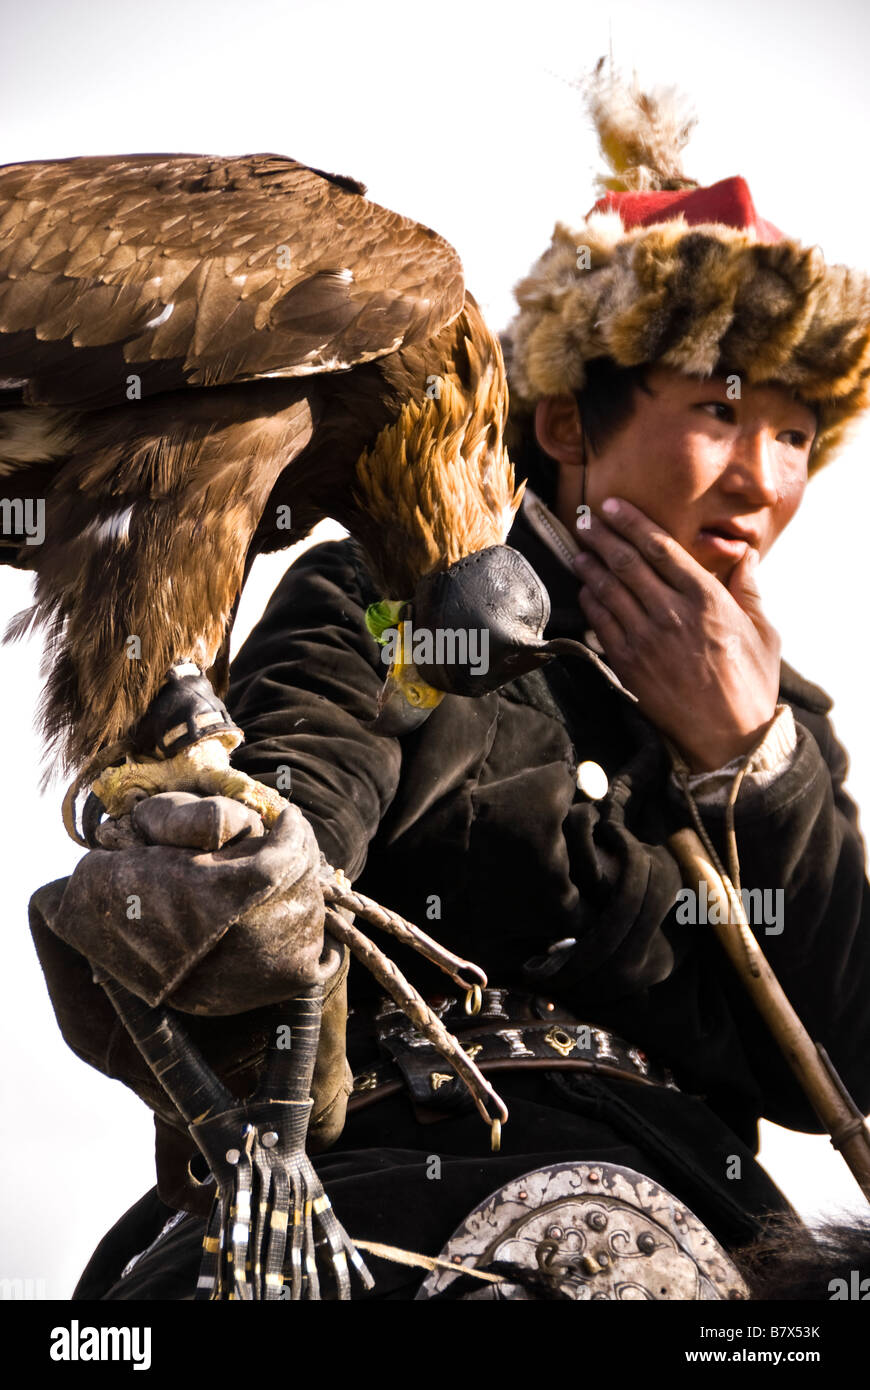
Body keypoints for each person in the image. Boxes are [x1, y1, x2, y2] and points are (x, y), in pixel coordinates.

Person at [29, 72, 870, 1300]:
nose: (762, 478)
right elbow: (302, 785)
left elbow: (841, 1064)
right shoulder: (411, 591)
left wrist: (751, 754)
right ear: (569, 426)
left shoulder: (780, 723)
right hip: (407, 1179)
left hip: (714, 1229)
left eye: (797, 436)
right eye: (720, 414)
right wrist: (247, 850)